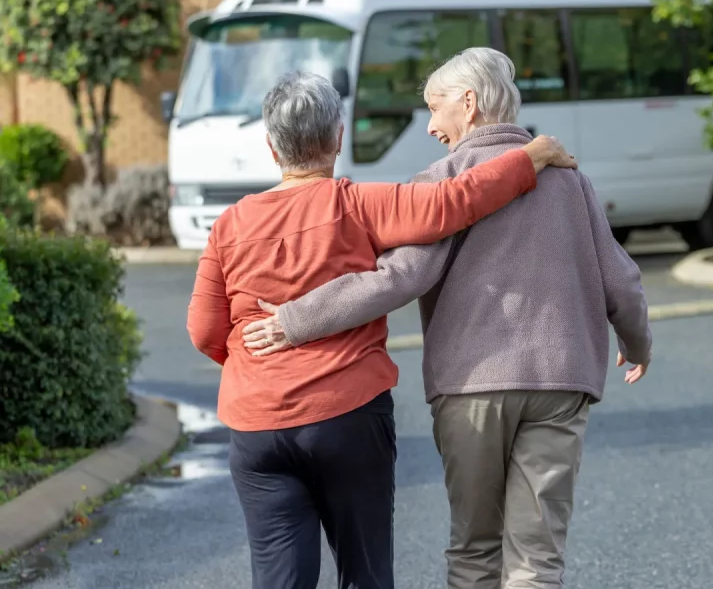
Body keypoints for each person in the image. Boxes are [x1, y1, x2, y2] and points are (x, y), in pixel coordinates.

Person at [242, 48, 653, 588]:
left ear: (469, 103)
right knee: (537, 556)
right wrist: (636, 343)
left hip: (470, 386)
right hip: (560, 382)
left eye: (436, 108)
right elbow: (620, 278)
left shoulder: (439, 181)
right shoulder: (570, 180)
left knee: (475, 549)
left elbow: (396, 279)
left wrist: (295, 320)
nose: (431, 126)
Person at [185, 70, 577, 589]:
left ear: (272, 147)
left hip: (257, 424)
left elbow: (203, 330)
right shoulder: (358, 204)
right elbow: (454, 202)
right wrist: (530, 157)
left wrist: (256, 370)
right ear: (338, 137)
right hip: (347, 415)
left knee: (279, 577)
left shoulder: (228, 226)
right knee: (365, 572)